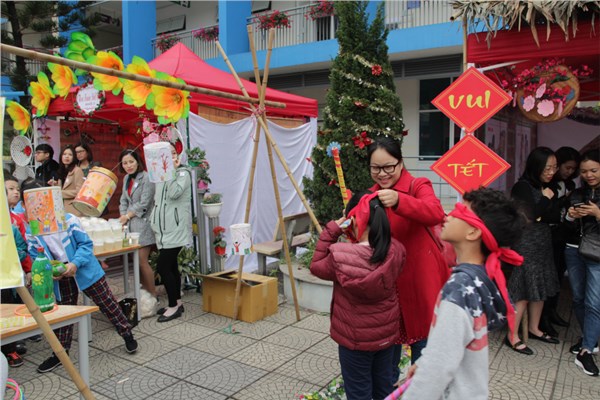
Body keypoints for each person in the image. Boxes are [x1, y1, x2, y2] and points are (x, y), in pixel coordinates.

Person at [402, 188, 525, 400]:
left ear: (473, 232)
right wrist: (423, 362)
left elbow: (437, 370)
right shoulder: (478, 277)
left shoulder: (458, 290)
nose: (449, 214)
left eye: (460, 210)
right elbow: (451, 345)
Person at [22, 179, 138, 373]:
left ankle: (127, 333)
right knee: (64, 313)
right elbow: (36, 255)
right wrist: (51, 270)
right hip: (60, 275)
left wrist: (75, 264)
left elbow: (86, 245)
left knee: (107, 302)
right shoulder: (32, 230)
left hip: (85, 269)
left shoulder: (69, 220)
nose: (38, 205)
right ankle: (60, 354)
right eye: (31, 201)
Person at [366, 137, 450, 375]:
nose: (382, 174)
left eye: (388, 167)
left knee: (423, 349)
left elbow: (435, 212)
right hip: (390, 283)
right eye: (375, 168)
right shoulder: (371, 195)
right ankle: (390, 386)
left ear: (400, 163)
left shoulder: (418, 185)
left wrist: (400, 200)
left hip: (420, 279)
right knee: (388, 351)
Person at [310, 191, 405, 400]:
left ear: (352, 220)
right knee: (384, 387)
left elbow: (316, 266)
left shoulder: (341, 256)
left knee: (358, 391)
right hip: (386, 336)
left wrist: (332, 230)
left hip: (355, 341)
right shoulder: (396, 250)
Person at [506, 146, 561, 355]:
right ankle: (512, 335)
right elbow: (528, 217)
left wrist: (541, 213)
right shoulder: (522, 187)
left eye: (554, 167)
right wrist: (544, 202)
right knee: (523, 290)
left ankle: (534, 328)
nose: (552, 172)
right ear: (536, 166)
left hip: (543, 242)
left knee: (540, 286)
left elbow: (554, 216)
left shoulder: (547, 187)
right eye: (548, 168)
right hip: (526, 243)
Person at [563, 149, 600, 376]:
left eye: (594, 170)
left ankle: (586, 350)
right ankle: (590, 338)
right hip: (573, 250)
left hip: (597, 254)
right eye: (584, 171)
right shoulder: (576, 194)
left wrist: (598, 214)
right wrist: (570, 216)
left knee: (594, 303)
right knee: (578, 298)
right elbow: (564, 226)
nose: (589, 175)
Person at [541, 146, 581, 336]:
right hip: (549, 235)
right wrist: (564, 200)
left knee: (558, 276)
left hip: (564, 235)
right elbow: (546, 211)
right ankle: (543, 317)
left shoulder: (571, 185)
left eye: (573, 169)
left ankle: (552, 311)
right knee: (549, 277)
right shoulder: (549, 185)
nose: (569, 172)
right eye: (567, 167)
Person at [150, 142, 192, 322]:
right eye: (166, 154)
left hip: (175, 228)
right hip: (163, 229)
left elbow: (174, 193)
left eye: (173, 153)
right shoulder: (162, 175)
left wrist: (170, 172)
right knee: (172, 266)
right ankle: (177, 303)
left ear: (178, 155)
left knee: (163, 267)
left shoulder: (183, 173)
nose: (170, 157)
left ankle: (174, 306)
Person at [118, 149, 156, 297]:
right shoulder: (126, 178)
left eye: (131, 162)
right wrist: (123, 215)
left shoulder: (146, 177)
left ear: (137, 161)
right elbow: (123, 200)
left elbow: (144, 202)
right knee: (136, 262)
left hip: (144, 223)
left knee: (141, 260)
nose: (128, 165)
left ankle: (152, 295)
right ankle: (143, 294)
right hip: (131, 225)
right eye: (125, 163)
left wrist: (127, 215)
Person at [56, 145, 84, 217]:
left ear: (74, 157)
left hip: (73, 209)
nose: (67, 157)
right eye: (64, 154)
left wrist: (60, 193)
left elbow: (79, 191)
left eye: (70, 155)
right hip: (61, 208)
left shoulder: (77, 170)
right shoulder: (61, 171)